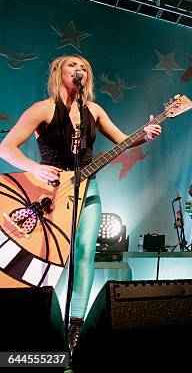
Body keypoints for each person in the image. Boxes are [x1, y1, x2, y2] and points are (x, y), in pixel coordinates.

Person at [0, 55, 161, 349]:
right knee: (46, 254)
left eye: (84, 67)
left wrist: (145, 135)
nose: (79, 70)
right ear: (58, 71)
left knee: (85, 252)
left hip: (89, 188)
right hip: (49, 192)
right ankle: (35, 320)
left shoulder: (94, 111)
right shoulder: (43, 109)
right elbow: (6, 148)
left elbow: (123, 140)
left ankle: (76, 327)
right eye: (73, 65)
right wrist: (34, 168)